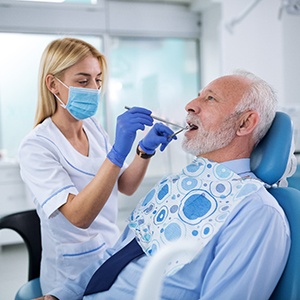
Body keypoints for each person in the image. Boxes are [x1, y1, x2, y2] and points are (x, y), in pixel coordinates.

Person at [40, 70, 291, 300]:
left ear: (245, 123)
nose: (190, 105)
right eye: (198, 96)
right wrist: (60, 296)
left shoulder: (256, 213)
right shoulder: (175, 185)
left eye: (210, 99)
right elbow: (114, 256)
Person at [18, 37, 176, 294]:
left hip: (108, 254)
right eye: (83, 81)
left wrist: (144, 150)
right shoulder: (37, 147)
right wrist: (115, 154)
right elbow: (80, 217)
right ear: (53, 85)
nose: (93, 88)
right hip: (69, 274)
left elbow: (124, 185)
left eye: (98, 80)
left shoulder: (93, 128)